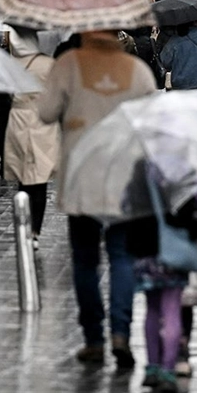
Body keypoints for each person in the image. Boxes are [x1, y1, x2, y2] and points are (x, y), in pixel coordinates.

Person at [38, 30, 157, 368]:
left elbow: (45, 113)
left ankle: (93, 337)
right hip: (123, 176)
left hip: (82, 176)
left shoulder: (68, 65)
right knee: (121, 257)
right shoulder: (136, 69)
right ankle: (121, 332)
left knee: (86, 260)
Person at [124, 160, 197, 393]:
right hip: (175, 252)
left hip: (146, 248)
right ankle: (168, 369)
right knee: (172, 308)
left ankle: (152, 368)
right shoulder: (184, 170)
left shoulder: (138, 168)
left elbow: (125, 207)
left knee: (152, 310)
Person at [3, 27, 60, 251]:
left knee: (22, 178)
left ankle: (24, 226)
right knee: (40, 177)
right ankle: (35, 230)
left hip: (18, 119)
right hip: (43, 121)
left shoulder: (11, 66)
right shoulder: (48, 64)